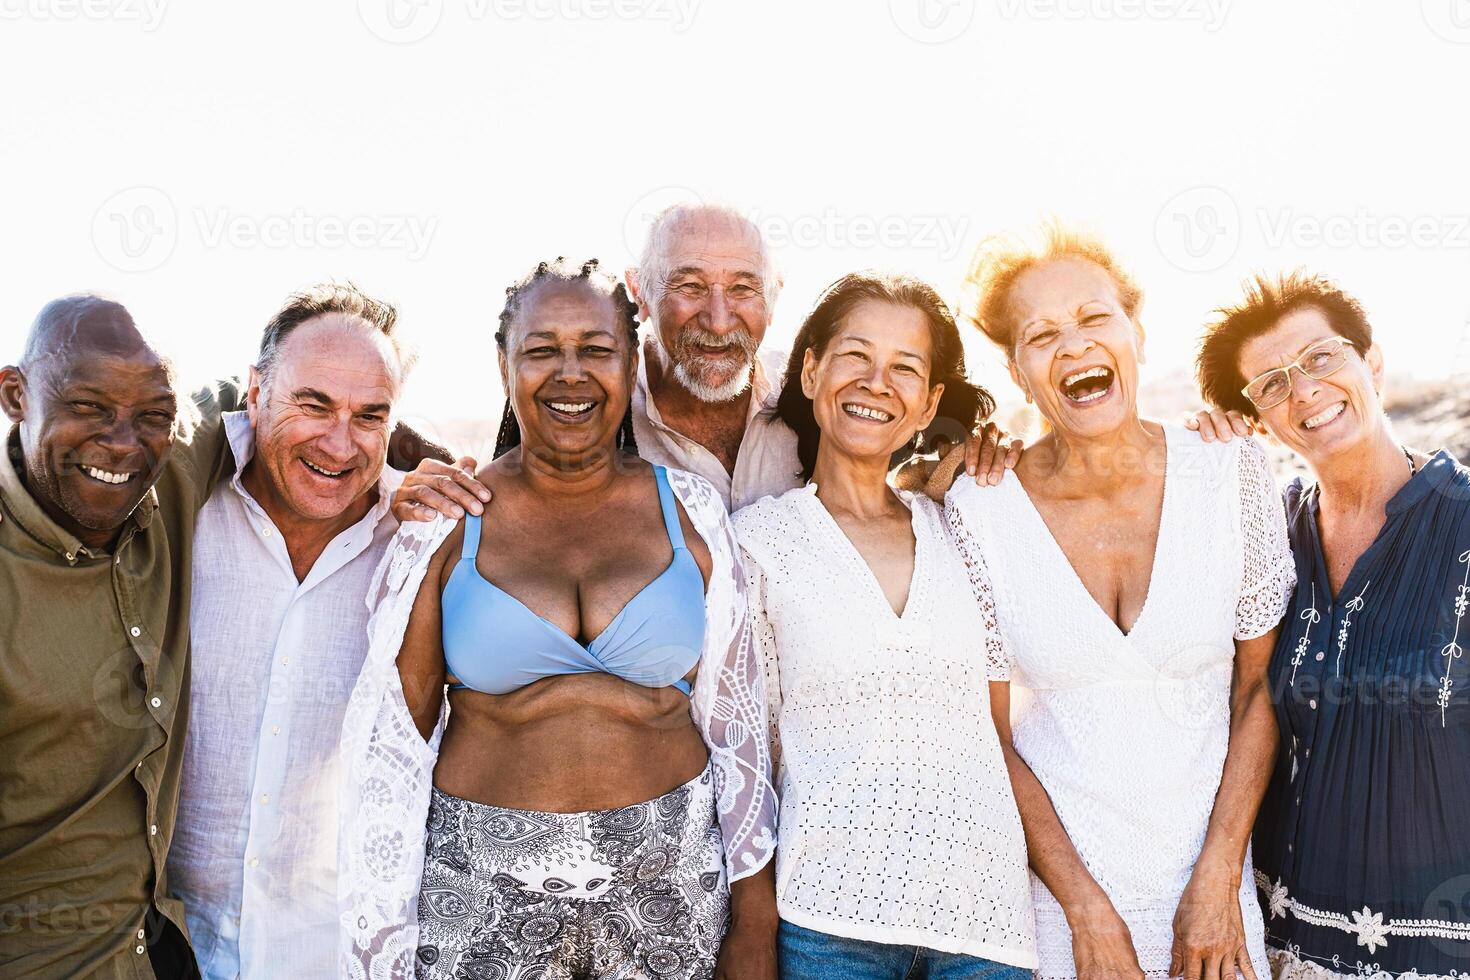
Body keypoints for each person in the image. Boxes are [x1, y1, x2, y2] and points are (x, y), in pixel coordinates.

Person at [338, 258, 778, 980]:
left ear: (631, 361)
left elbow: (738, 733)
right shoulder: (445, 522)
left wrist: (754, 926)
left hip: (669, 881)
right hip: (481, 887)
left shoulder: (691, 513)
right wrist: (381, 943)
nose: (570, 374)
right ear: (504, 364)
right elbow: (393, 750)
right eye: (542, 350)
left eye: (596, 350)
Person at [941, 225, 1296, 980]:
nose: (1073, 346)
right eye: (1042, 335)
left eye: (1094, 319)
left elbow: (1259, 689)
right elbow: (987, 734)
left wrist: (1219, 878)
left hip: (1211, 902)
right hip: (1056, 910)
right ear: (1016, 368)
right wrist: (1084, 911)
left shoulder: (1231, 470)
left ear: (1135, 331)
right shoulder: (981, 507)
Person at [734, 272, 1037, 978]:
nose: (877, 383)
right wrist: (751, 920)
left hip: (986, 924)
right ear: (810, 371)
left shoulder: (965, 525)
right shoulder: (757, 542)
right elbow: (744, 752)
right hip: (827, 925)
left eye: (906, 368)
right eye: (855, 357)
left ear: (930, 402)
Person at [390, 204, 1018, 523]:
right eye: (688, 287)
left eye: (743, 289)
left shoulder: (816, 398)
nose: (719, 320)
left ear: (774, 294)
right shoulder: (587, 414)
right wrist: (424, 495)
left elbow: (904, 454)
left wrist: (974, 454)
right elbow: (505, 501)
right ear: (640, 292)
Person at [1189, 271, 1470, 980]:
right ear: (1256, 419)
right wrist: (1207, 461)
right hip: (1278, 947)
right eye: (1270, 384)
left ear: (1372, 364)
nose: (1304, 389)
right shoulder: (1265, 535)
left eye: (1320, 358)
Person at [167, 284, 416, 979]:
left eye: (370, 415)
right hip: (172, 949)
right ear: (255, 393)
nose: (340, 442)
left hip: (336, 958)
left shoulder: (421, 546)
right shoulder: (175, 516)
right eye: (313, 405)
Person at [0, 296, 233, 979]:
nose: (124, 443)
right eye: (89, 408)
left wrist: (415, 453)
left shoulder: (175, 470)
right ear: (15, 395)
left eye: (152, 416)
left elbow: (292, 409)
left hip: (170, 952)